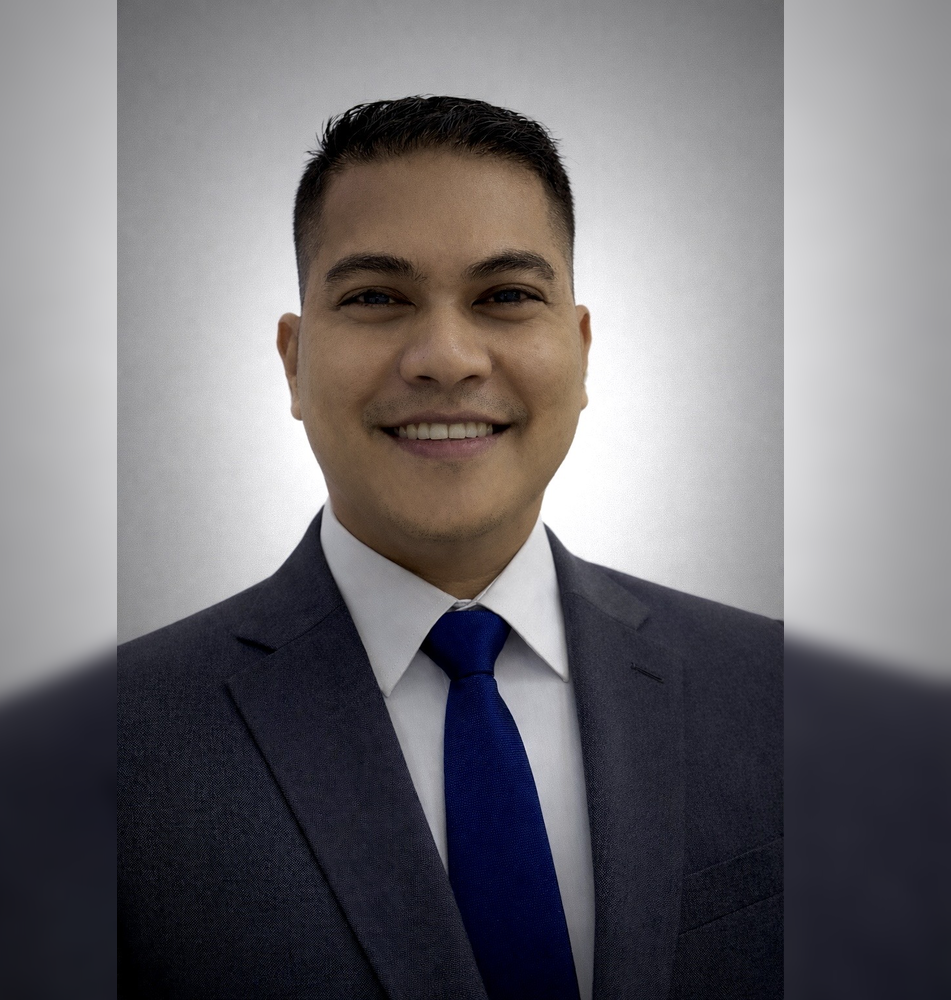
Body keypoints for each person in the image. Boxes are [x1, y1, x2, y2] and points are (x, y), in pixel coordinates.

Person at [118, 96, 782, 1000]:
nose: (445, 356)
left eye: (506, 296)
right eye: (377, 298)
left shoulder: (781, 697)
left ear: (580, 351)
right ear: (293, 361)